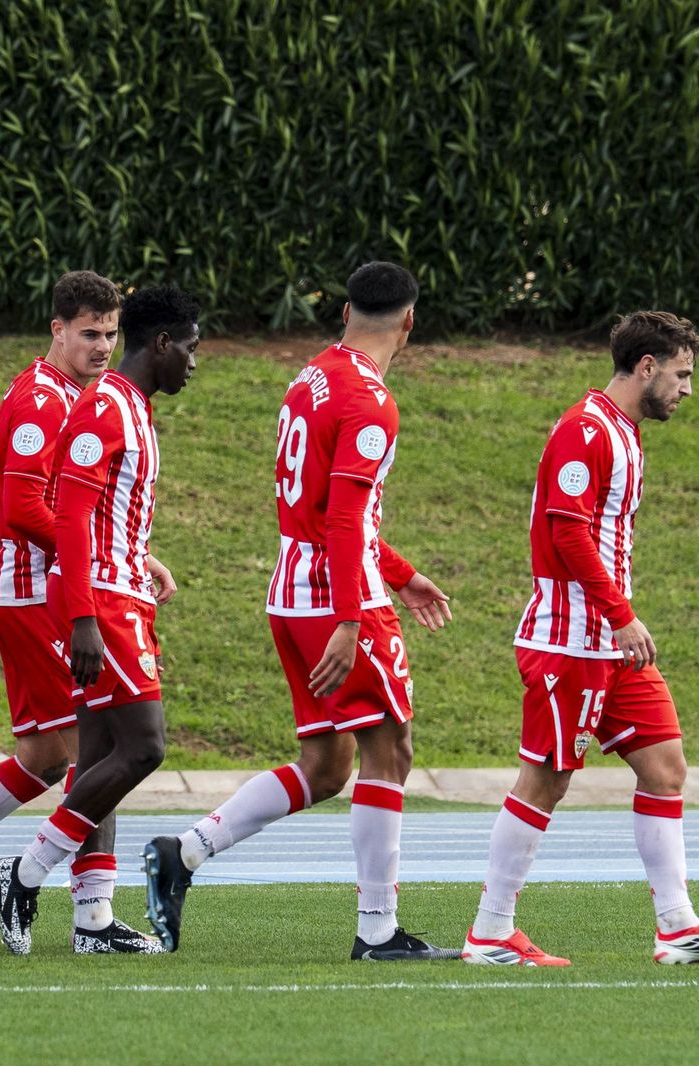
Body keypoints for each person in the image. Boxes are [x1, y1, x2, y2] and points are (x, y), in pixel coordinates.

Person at [141, 262, 460, 961]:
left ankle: (182, 852)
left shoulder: (311, 376)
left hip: (291, 585)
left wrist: (400, 574)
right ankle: (377, 931)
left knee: (325, 765)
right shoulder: (371, 401)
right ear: (410, 321)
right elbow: (344, 518)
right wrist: (351, 616)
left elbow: (320, 506)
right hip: (335, 595)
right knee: (391, 750)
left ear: (346, 313)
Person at [462, 311, 699, 966]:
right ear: (647, 367)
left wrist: (618, 621)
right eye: (682, 375)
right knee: (546, 779)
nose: (688, 389)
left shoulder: (622, 432)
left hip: (610, 644)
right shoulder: (585, 429)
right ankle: (489, 931)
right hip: (571, 641)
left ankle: (677, 926)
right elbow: (565, 531)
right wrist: (619, 613)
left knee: (665, 766)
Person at [0, 271, 165, 952]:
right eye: (88, 333)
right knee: (96, 750)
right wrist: (102, 553)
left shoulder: (84, 396)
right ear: (57, 330)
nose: (102, 345)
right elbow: (22, 510)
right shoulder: (41, 401)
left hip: (59, 585)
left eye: (110, 333)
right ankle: (86, 913)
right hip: (31, 590)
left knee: (54, 754)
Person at [0, 284, 199, 955]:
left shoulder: (127, 407)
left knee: (101, 756)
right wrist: (82, 617)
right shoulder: (105, 408)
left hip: (118, 591)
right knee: (144, 748)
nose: (195, 363)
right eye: (191, 348)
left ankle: (93, 922)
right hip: (101, 600)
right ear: (162, 343)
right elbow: (70, 517)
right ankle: (24, 873)